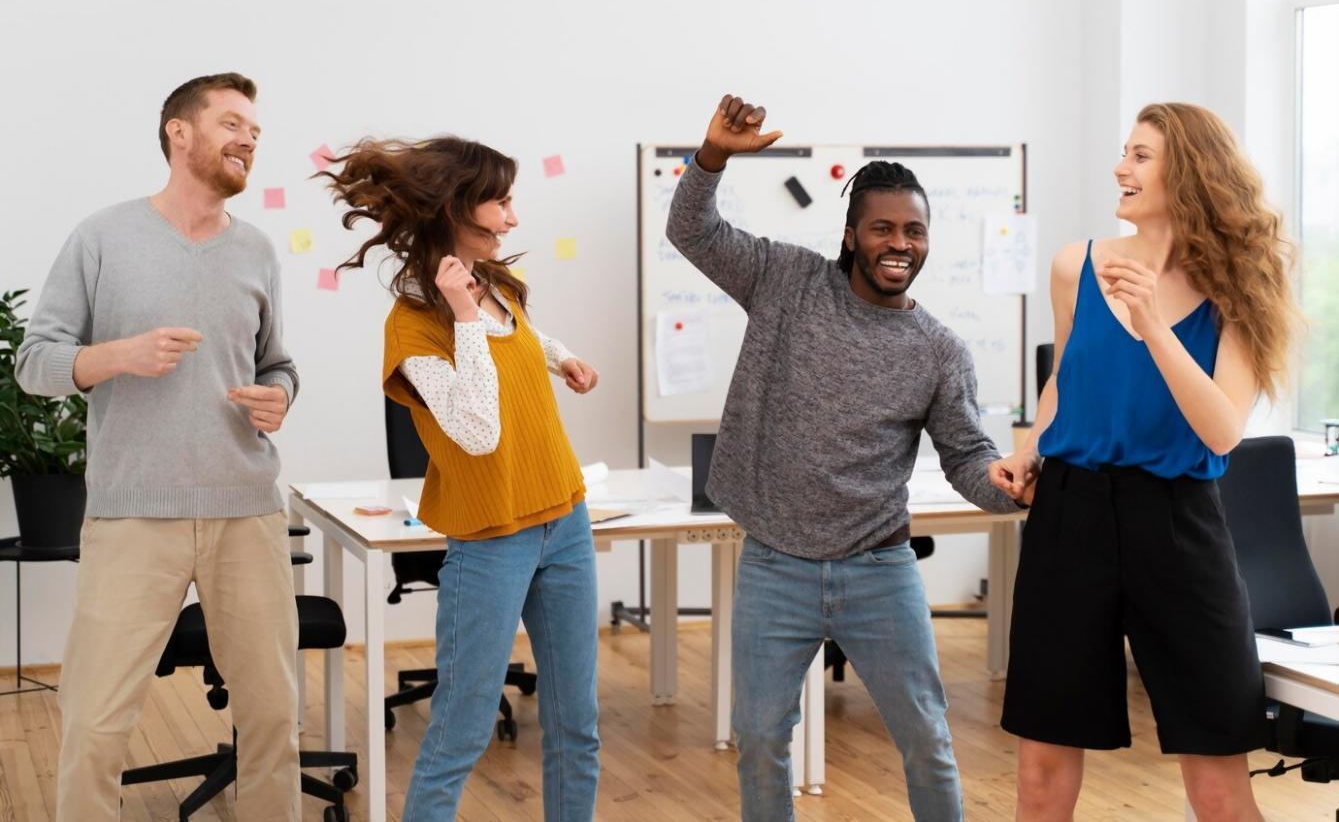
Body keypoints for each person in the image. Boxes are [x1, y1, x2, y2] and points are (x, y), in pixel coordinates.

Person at [667, 94, 1023, 822]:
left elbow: (966, 455)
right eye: (883, 228)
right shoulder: (786, 281)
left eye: (914, 230)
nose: (900, 243)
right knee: (760, 738)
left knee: (927, 739)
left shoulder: (939, 350)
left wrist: (1002, 484)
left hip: (878, 568)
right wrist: (713, 156)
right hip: (774, 564)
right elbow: (691, 231)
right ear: (852, 234)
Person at [990, 102, 1300, 822]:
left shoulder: (1237, 288)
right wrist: (1031, 448)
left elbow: (1220, 432)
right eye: (1123, 152)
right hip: (1069, 518)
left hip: (1178, 523)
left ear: (1187, 172)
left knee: (1218, 783)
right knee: (1039, 775)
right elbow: (1065, 380)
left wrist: (1154, 325)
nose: (1119, 168)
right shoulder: (1074, 265)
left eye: (1139, 156)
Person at [16, 72, 301, 821]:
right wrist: (118, 355)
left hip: (246, 510)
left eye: (255, 132)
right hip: (132, 517)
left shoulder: (256, 250)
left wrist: (280, 396)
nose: (249, 140)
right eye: (232, 123)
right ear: (180, 131)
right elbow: (34, 362)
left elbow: (277, 364)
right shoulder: (103, 236)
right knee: (95, 723)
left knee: (273, 719)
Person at [322, 136, 602, 821]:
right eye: (500, 202)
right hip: (491, 539)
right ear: (455, 208)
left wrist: (561, 357)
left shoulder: (494, 283)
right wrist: (464, 315)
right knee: (460, 730)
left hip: (564, 519)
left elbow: (520, 335)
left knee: (578, 725)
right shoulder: (413, 325)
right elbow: (477, 430)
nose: (512, 217)